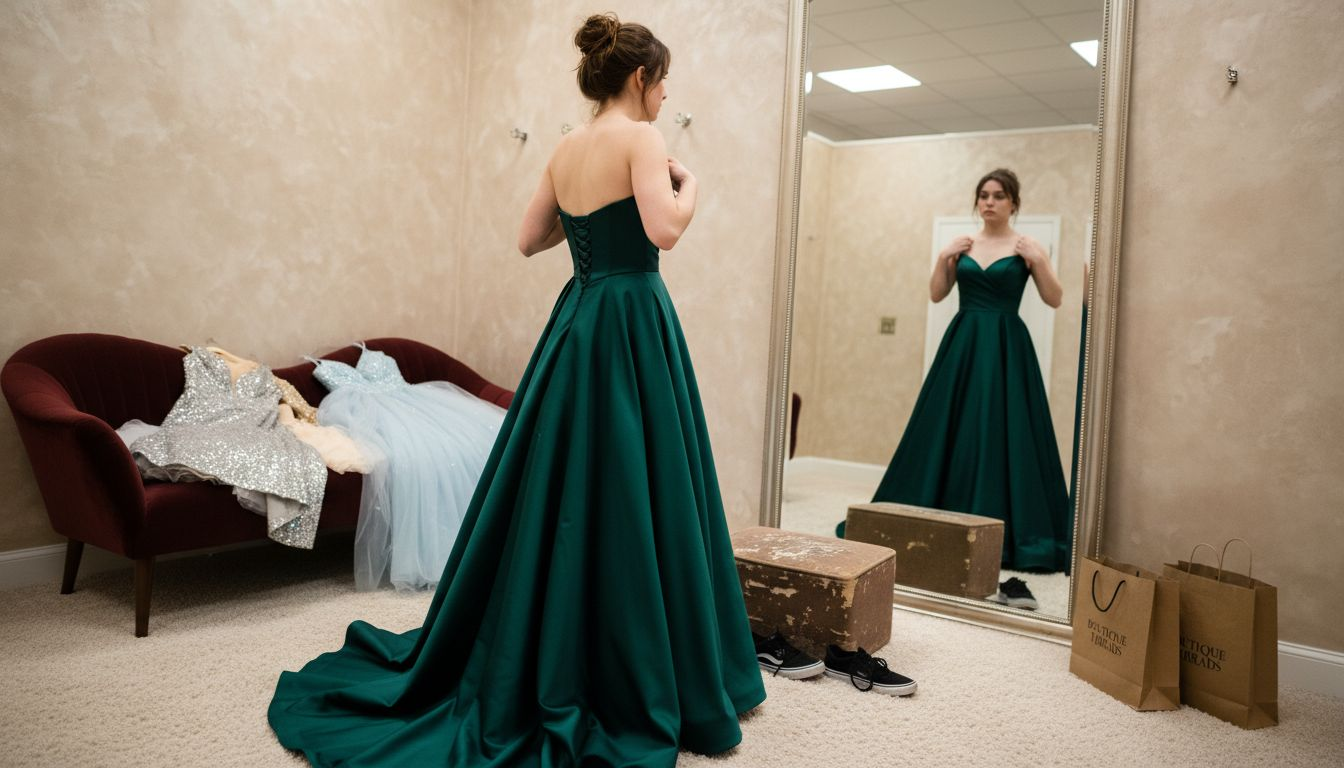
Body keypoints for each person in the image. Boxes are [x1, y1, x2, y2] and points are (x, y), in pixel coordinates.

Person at [267, 13, 765, 766]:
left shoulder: (568, 146)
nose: (666, 97)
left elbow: (530, 238)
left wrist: (587, 217)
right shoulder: (643, 139)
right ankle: (648, 667)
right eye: (663, 83)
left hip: (578, 318)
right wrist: (688, 187)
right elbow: (664, 233)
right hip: (631, 316)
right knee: (641, 480)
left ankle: (551, 634)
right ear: (640, 79)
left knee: (568, 482)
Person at [853, 169, 1073, 585]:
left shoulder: (1027, 247)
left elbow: (1055, 298)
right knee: (948, 428)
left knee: (1007, 430)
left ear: (1013, 203)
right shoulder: (964, 246)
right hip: (963, 342)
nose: (989, 202)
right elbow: (937, 294)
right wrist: (943, 258)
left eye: (999, 196)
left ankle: (1010, 536)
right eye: (983, 196)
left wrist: (1040, 261)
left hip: (1008, 346)